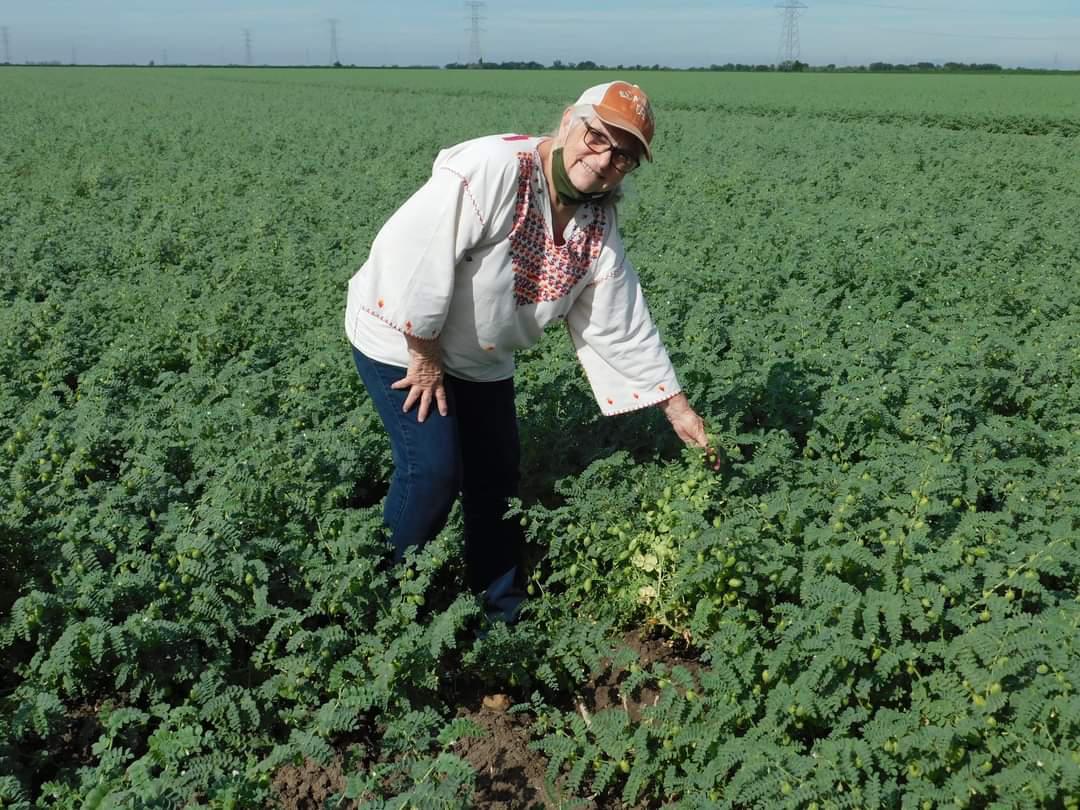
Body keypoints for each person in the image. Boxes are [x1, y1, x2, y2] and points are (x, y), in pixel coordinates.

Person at [344, 81, 709, 620]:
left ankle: (500, 610)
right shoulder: (492, 169)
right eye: (597, 137)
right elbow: (414, 258)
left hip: (481, 357)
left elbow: (617, 318)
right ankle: (377, 603)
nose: (605, 159)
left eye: (624, 156)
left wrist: (675, 405)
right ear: (568, 122)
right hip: (402, 338)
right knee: (433, 471)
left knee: (497, 477)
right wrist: (424, 357)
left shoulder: (597, 220)